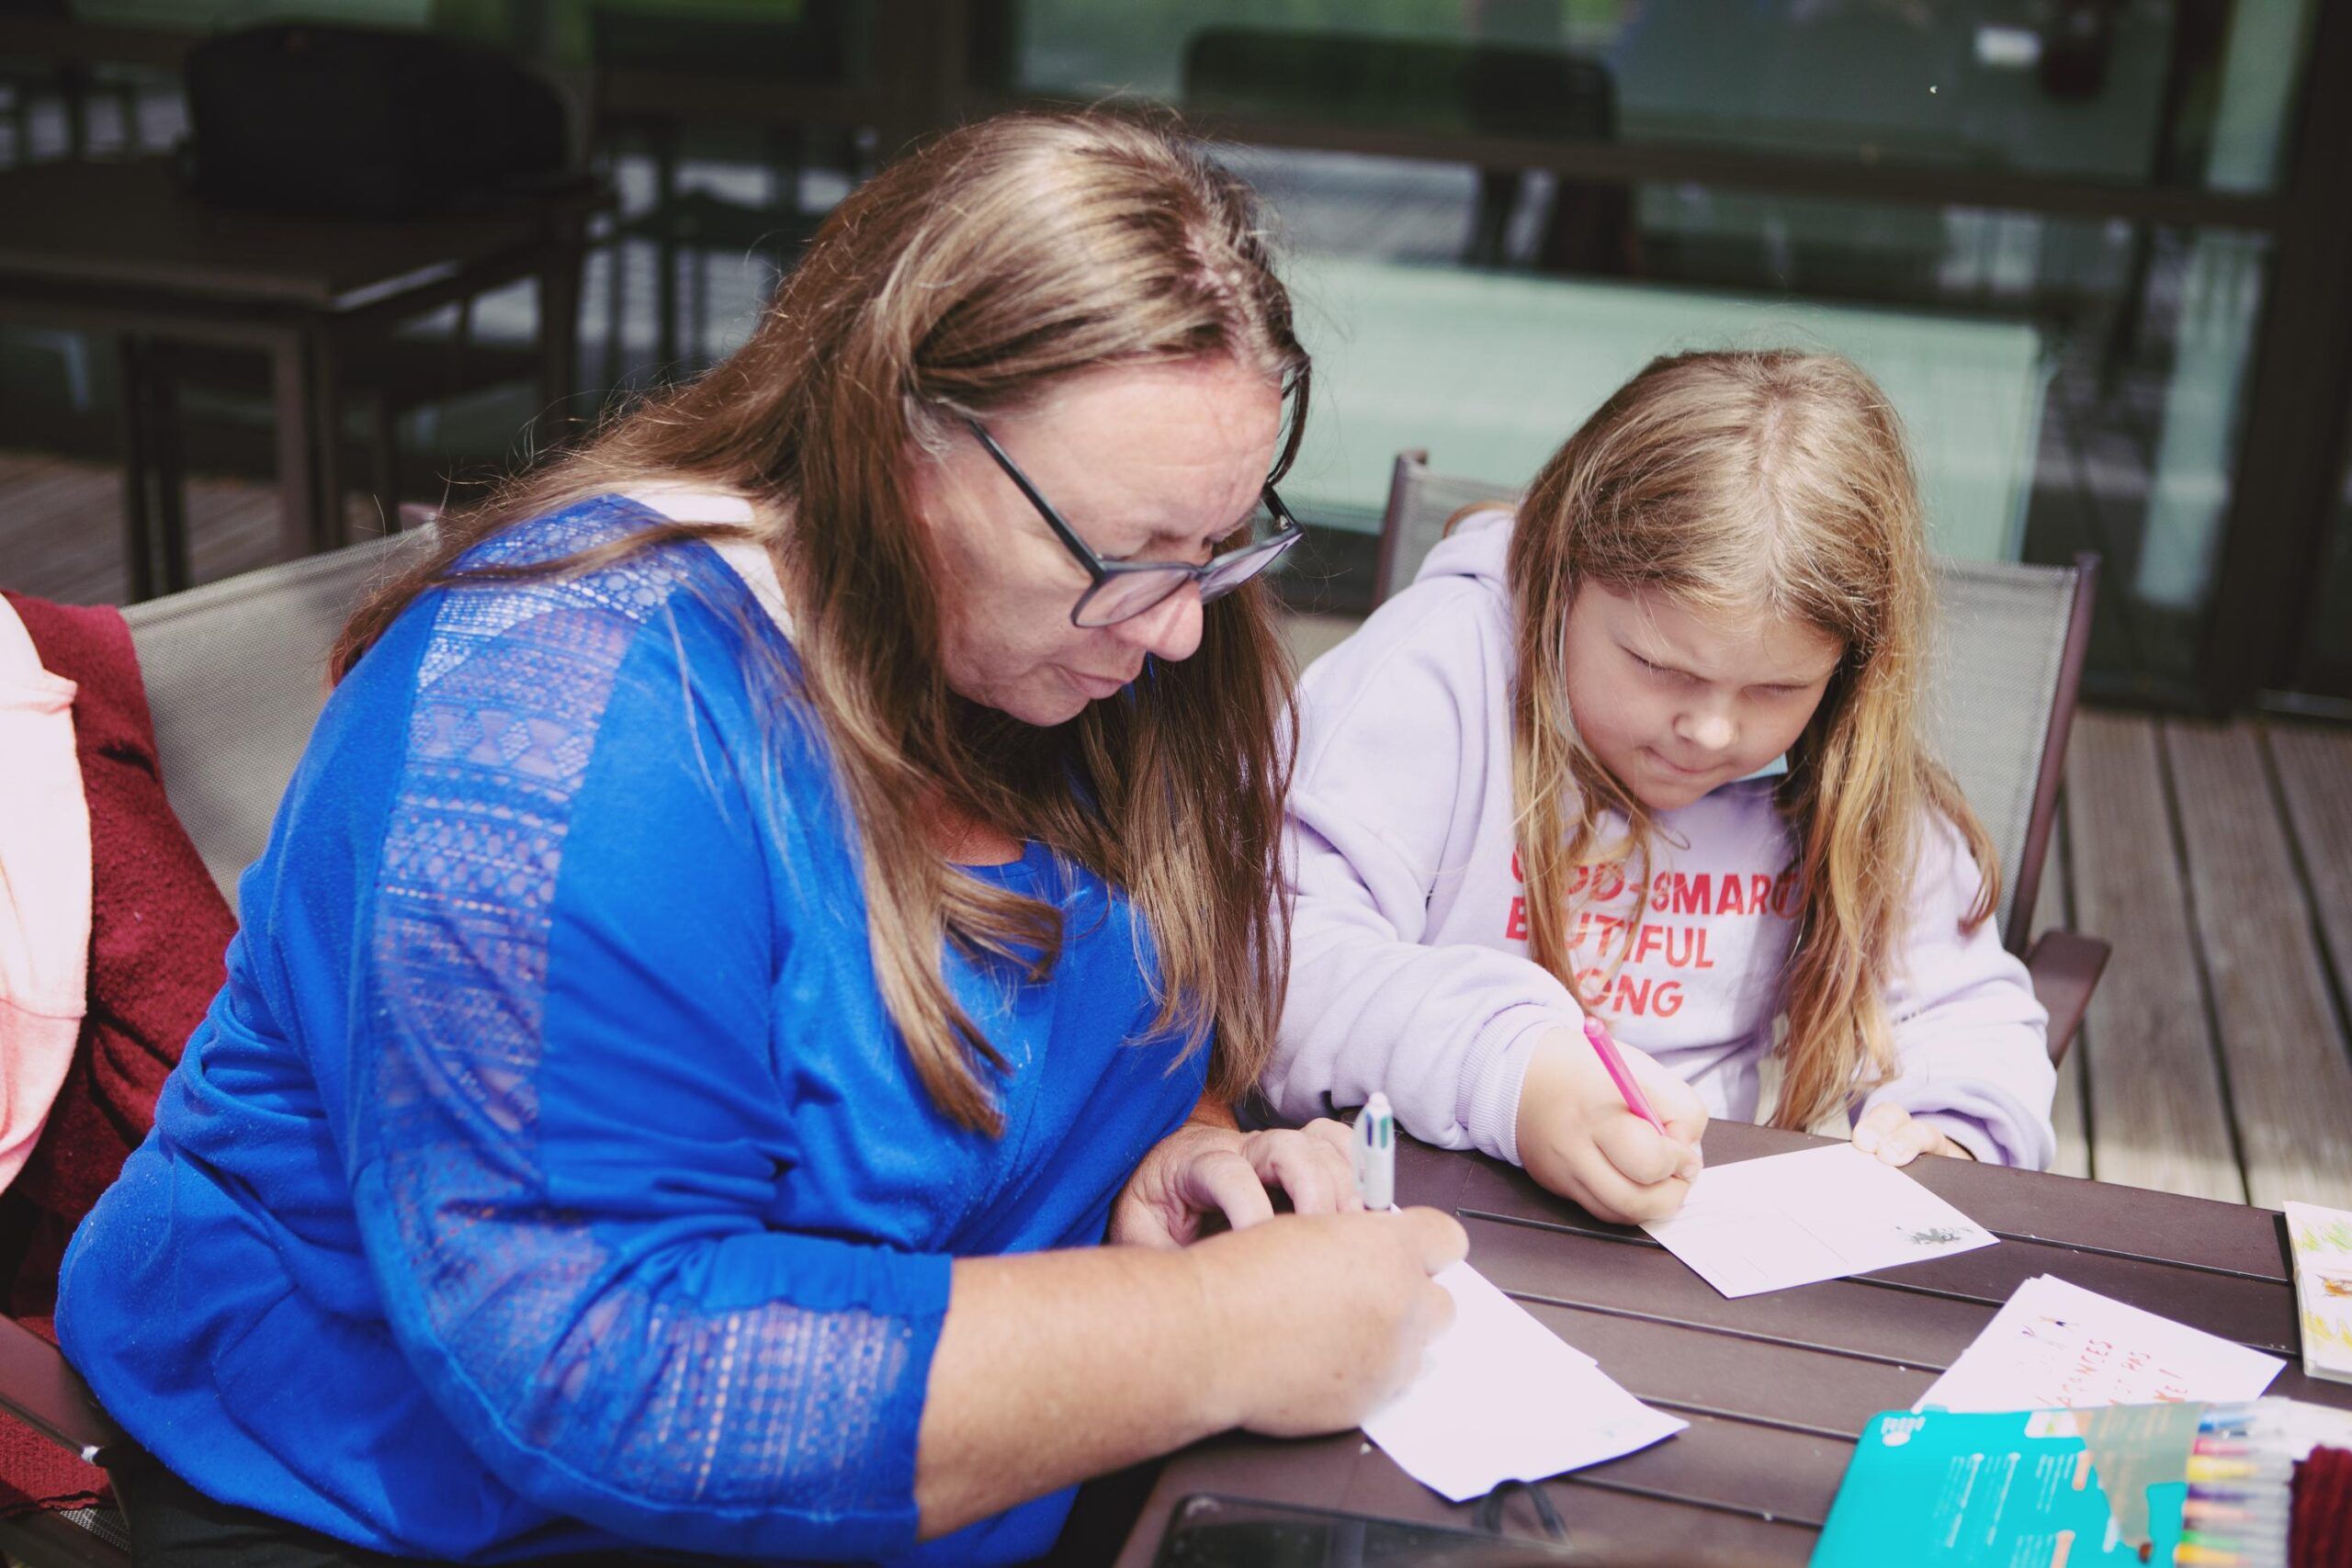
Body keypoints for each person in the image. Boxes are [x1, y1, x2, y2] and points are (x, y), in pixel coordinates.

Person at [56, 111, 1464, 1566]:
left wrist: (1177, 1145)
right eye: (1125, 555)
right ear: (892, 439)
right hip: (419, 1509)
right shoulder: (561, 715)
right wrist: (1215, 1334)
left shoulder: (1087, 652)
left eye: (1226, 540)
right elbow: (602, 1358)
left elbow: (1121, 1024)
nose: (1180, 624)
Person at [1267, 349, 2056, 1225]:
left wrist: (1955, 1127)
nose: (1713, 730)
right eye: (1655, 664)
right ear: (1559, 576)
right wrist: (1514, 1073)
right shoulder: (1441, 672)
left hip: (1683, 1251)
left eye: (1776, 689)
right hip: (1404, 1209)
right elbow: (1284, 959)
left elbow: (1960, 1003)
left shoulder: (1842, 759)